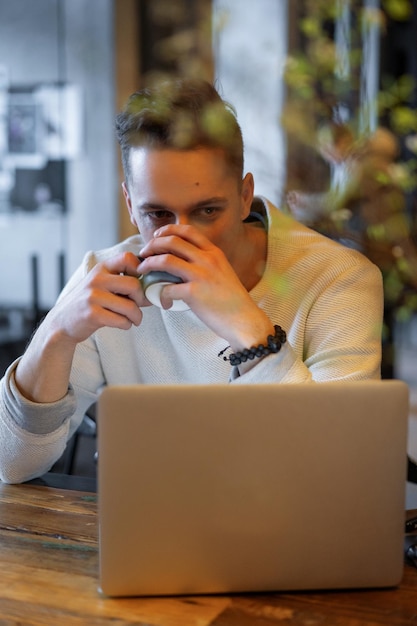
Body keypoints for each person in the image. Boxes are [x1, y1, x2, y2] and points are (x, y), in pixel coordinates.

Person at [0, 78, 383, 484]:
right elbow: (11, 463)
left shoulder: (338, 279)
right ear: (130, 204)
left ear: (243, 195)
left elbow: (343, 472)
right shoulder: (105, 279)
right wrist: (55, 333)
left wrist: (247, 327)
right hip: (148, 530)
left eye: (207, 211)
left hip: (295, 536)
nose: (185, 239)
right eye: (159, 215)